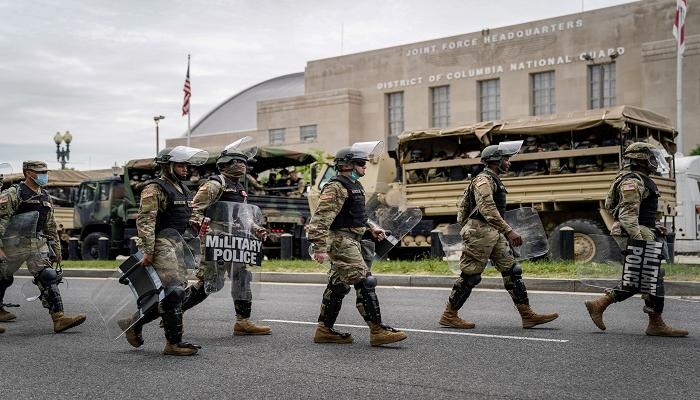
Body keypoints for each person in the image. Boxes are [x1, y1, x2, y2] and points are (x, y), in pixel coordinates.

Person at [439, 142, 559, 329]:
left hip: (492, 232)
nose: (509, 162)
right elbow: (488, 210)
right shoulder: (483, 180)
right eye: (506, 159)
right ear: (495, 161)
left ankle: (527, 316)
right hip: (480, 232)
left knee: (512, 271)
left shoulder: (493, 179)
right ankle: (449, 315)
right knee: (471, 276)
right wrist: (509, 231)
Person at [308, 141, 407, 346]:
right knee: (365, 281)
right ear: (347, 165)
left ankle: (324, 330)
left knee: (338, 285)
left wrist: (372, 228)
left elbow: (358, 216)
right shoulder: (335, 187)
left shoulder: (354, 185)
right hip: (341, 241)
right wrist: (318, 248)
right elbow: (319, 220)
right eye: (361, 163)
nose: (365, 167)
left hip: (354, 240)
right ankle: (378, 331)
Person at [585, 142, 687, 337]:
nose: (654, 161)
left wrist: (653, 226)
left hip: (640, 231)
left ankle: (600, 305)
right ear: (639, 159)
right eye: (650, 157)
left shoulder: (639, 179)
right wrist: (641, 241)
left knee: (642, 277)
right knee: (651, 277)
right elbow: (627, 216)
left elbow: (636, 214)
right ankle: (655, 323)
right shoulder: (632, 181)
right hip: (634, 234)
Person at [120, 146, 209, 356]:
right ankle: (173, 343)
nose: (185, 169)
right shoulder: (155, 188)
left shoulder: (183, 188)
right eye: (180, 165)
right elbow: (145, 220)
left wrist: (196, 223)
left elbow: (186, 215)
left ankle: (134, 322)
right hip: (161, 244)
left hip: (178, 244)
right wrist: (148, 251)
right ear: (167, 166)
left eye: (186, 165)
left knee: (174, 295)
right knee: (174, 292)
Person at [183, 139, 271, 336]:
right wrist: (199, 223)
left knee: (242, 277)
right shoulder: (215, 184)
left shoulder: (240, 188)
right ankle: (174, 311)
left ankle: (243, 321)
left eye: (243, 162)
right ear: (224, 165)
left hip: (237, 240)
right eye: (236, 161)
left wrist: (256, 228)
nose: (241, 165)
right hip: (216, 239)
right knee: (210, 282)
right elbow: (194, 210)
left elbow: (244, 215)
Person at [0, 161, 86, 333]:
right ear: (27, 173)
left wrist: (58, 250)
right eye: (39, 172)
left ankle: (59, 319)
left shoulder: (45, 196)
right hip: (11, 244)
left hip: (35, 243)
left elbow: (51, 225)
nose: (43, 175)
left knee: (48, 275)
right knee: (3, 277)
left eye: (45, 171)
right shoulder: (13, 194)